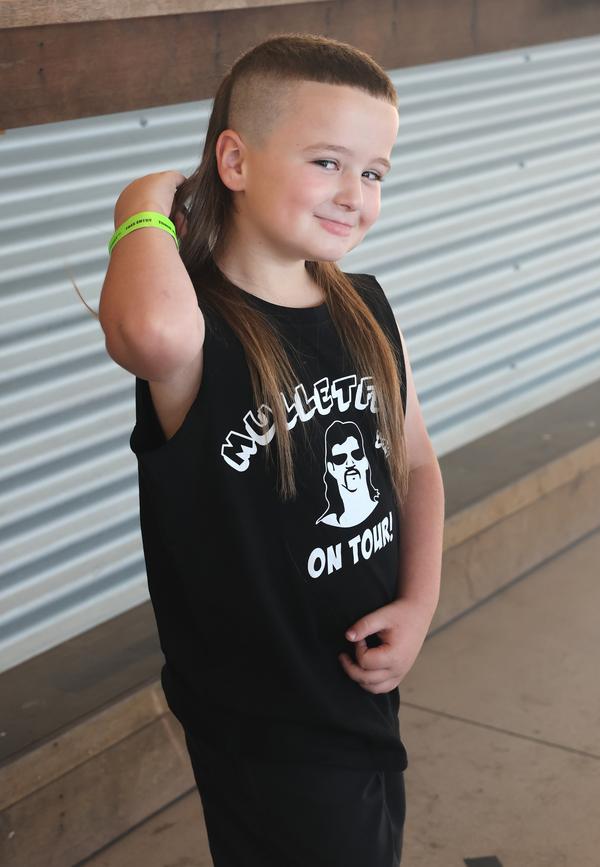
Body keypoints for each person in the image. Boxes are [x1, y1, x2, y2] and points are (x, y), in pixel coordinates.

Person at [93, 31, 445, 867]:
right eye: (327, 161)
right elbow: (146, 327)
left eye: (374, 172)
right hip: (264, 716)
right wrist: (142, 203)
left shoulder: (363, 304)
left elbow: (416, 461)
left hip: (358, 680)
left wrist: (421, 602)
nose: (354, 193)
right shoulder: (197, 333)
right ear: (235, 161)